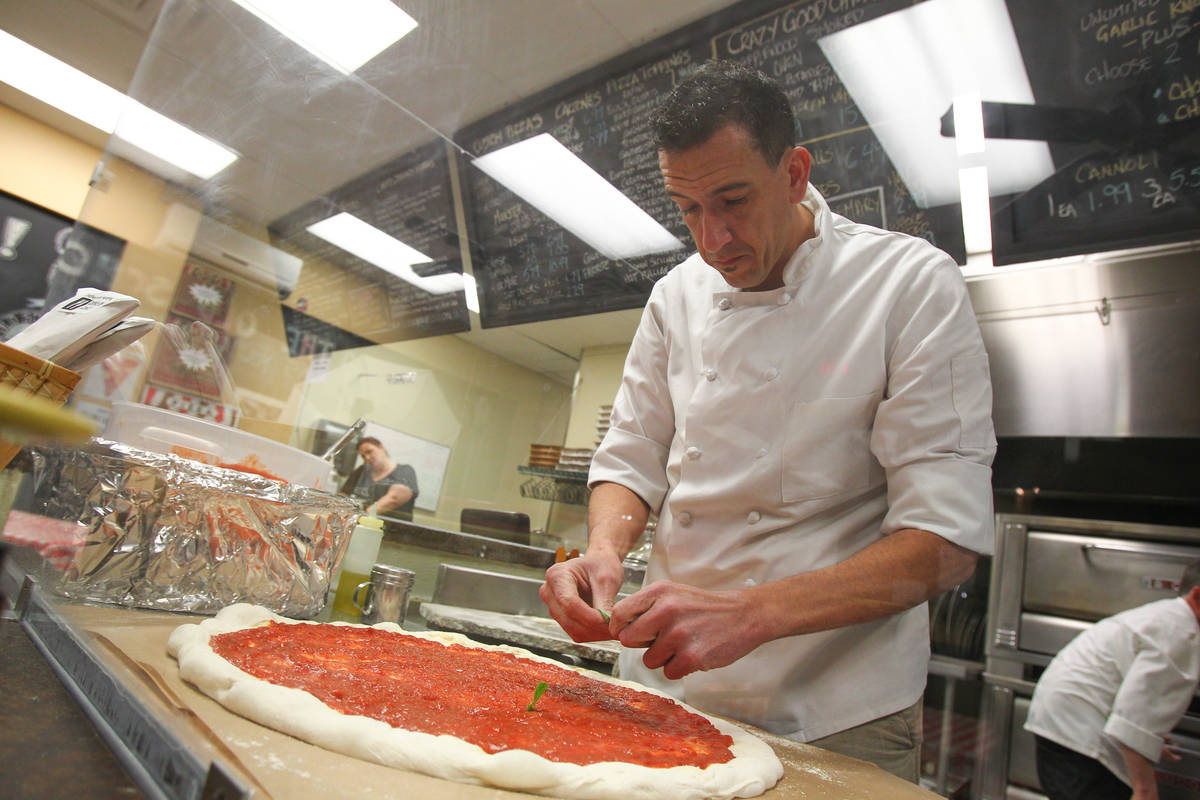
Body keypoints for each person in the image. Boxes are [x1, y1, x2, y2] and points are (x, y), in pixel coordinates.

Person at [539, 59, 996, 782]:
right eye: (688, 209)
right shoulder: (675, 295)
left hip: (837, 711)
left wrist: (751, 613)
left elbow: (946, 542)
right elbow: (630, 457)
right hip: (664, 688)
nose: (712, 239)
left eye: (732, 199)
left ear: (793, 173)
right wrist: (602, 551)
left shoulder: (907, 285)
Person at [1024, 560, 1200, 800]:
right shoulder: (1183, 634)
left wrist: (1148, 736)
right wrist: (1145, 789)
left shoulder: (1165, 616)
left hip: (1060, 721)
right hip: (1079, 735)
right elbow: (1132, 725)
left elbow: (1135, 712)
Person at [347, 436, 418, 520]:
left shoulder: (405, 471)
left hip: (392, 530)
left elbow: (394, 499)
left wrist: (362, 517)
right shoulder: (361, 471)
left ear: (381, 447)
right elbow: (343, 495)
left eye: (369, 452)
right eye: (363, 456)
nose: (367, 458)